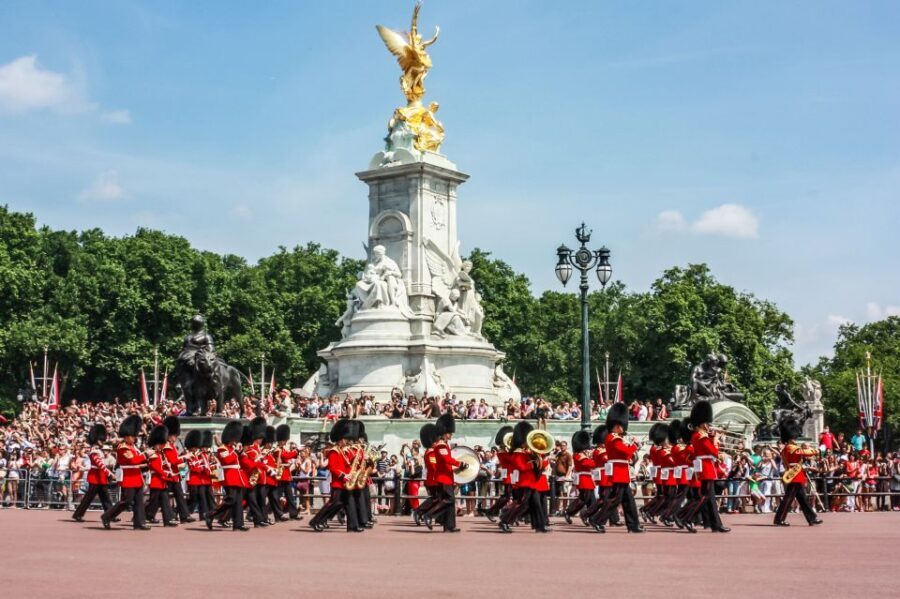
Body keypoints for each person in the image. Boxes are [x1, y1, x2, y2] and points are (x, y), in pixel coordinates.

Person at [590, 403, 643, 533]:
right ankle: (597, 520)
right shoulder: (613, 438)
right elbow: (627, 453)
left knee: (628, 501)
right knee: (614, 500)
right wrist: (635, 444)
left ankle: (633, 525)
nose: (623, 428)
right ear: (617, 425)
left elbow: (626, 454)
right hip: (618, 472)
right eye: (621, 426)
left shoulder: (615, 438)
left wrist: (633, 445)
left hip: (621, 471)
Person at [679, 401, 730, 533]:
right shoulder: (701, 437)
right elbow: (712, 451)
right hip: (706, 468)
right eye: (707, 423)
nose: (709, 426)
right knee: (704, 497)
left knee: (710, 499)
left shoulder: (698, 436)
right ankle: (686, 517)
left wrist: (712, 438)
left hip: (705, 467)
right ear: (702, 423)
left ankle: (716, 524)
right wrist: (716, 441)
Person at [101, 415, 150, 530]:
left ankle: (139, 522)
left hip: (136, 476)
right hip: (129, 477)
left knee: (139, 501)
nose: (135, 438)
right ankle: (107, 516)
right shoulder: (123, 448)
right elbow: (134, 460)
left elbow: (139, 459)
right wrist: (146, 454)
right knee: (126, 501)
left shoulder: (132, 447)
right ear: (127, 436)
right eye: (133, 436)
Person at [774, 417, 823, 527]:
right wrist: (816, 451)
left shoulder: (790, 446)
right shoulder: (790, 447)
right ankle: (779, 519)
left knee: (802, 498)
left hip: (796, 473)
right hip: (794, 474)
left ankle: (812, 518)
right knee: (789, 498)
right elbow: (803, 452)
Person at [146, 416, 193, 524]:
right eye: (174, 436)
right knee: (157, 498)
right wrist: (185, 457)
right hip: (168, 476)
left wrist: (184, 471)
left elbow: (177, 462)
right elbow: (173, 461)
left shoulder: (172, 446)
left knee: (178, 495)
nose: (175, 438)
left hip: (174, 476)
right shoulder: (166, 446)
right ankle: (148, 514)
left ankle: (183, 515)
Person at [422, 413, 463, 532]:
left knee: (450, 502)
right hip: (443, 478)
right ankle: (429, 514)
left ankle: (449, 526)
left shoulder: (444, 445)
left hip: (447, 477)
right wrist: (459, 464)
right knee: (449, 500)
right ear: (445, 433)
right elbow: (447, 460)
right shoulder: (441, 446)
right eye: (450, 434)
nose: (450, 436)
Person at [207, 420, 249, 531]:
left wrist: (240, 452)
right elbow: (227, 460)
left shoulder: (231, 449)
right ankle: (212, 513)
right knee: (231, 499)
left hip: (237, 476)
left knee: (238, 502)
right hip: (229, 476)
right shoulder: (222, 448)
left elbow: (237, 461)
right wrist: (235, 451)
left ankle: (238, 524)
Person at [72, 424, 114, 522]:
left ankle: (111, 514)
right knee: (89, 498)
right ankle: (78, 514)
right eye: (101, 440)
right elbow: (99, 464)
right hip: (95, 477)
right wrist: (109, 474)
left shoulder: (98, 450)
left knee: (105, 498)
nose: (102, 442)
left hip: (100, 477)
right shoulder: (95, 451)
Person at [144, 424, 178, 527]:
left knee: (164, 500)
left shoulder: (160, 454)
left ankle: (168, 520)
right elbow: (157, 469)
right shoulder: (153, 454)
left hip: (161, 482)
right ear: (155, 444)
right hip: (156, 481)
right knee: (153, 502)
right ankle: (145, 514)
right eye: (159, 444)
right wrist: (167, 474)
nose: (160, 446)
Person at [564, 430, 596, 524]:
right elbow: (589, 464)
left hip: (588, 479)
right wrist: (593, 458)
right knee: (583, 500)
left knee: (592, 501)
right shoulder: (577, 455)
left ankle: (591, 517)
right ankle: (569, 512)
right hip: (583, 479)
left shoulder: (583, 454)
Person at [484, 426, 513, 522]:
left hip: (512, 474)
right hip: (508, 474)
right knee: (507, 496)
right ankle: (495, 511)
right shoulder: (502, 452)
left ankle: (505, 513)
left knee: (508, 496)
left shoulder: (506, 450)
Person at [413, 423, 440, 525]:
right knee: (435, 499)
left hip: (434, 479)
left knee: (436, 499)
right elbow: (434, 467)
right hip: (433, 479)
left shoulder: (432, 451)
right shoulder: (431, 452)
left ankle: (423, 513)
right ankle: (419, 511)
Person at [274, 425, 301, 520]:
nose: (284, 442)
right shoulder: (277, 450)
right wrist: (296, 451)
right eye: (283, 440)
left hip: (286, 475)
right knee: (276, 497)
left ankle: (293, 514)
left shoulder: (283, 449)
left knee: (290, 496)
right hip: (280, 476)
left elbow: (287, 457)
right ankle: (276, 514)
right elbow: (286, 456)